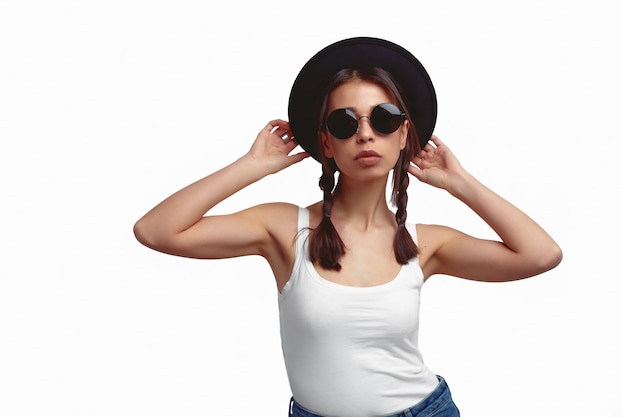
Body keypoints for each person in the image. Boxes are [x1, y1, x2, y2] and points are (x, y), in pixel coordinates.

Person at [133, 37, 562, 417]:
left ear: (403, 135)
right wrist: (252, 167)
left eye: (384, 118)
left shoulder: (424, 243)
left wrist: (460, 183)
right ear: (326, 143)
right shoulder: (285, 228)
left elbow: (541, 255)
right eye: (344, 122)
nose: (365, 134)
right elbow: (157, 231)